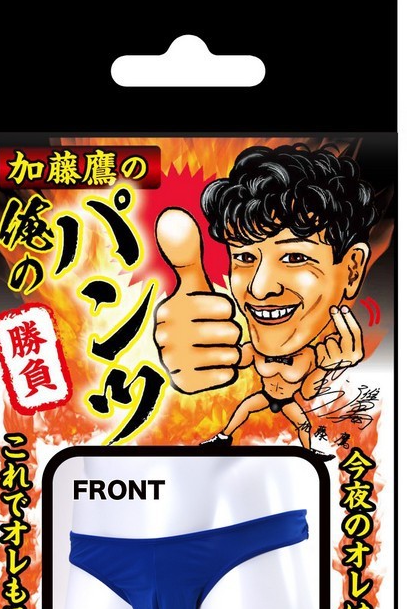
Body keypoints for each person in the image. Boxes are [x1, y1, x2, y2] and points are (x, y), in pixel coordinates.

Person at [154, 144, 379, 456]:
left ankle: (308, 451)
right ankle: (224, 436)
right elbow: (228, 357)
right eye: (245, 257)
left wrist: (334, 371)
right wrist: (190, 352)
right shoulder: (254, 349)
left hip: (297, 423)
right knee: (245, 409)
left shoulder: (331, 354)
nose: (259, 289)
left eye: (295, 257)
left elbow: (314, 392)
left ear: (352, 270)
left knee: (301, 425)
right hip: (257, 414)